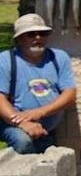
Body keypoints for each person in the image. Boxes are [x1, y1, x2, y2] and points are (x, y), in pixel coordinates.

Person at [0, 13, 76, 154]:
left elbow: (69, 96)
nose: (38, 38)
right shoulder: (5, 60)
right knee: (23, 143)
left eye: (43, 33)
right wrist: (23, 123)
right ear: (19, 39)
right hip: (12, 124)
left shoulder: (59, 58)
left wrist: (39, 112)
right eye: (31, 34)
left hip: (46, 129)